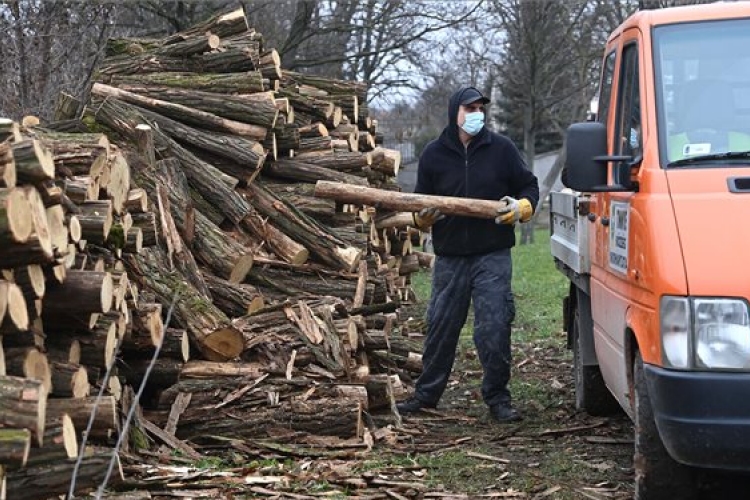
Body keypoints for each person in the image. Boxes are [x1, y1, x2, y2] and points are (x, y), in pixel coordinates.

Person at [397, 86, 540, 422]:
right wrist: (422, 218)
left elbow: (528, 185)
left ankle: (498, 399)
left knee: (493, 327)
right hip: (450, 257)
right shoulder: (433, 154)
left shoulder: (501, 149)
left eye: (480, 108)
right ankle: (426, 394)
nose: (477, 114)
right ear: (454, 113)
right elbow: (419, 202)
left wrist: (522, 207)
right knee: (441, 326)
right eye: (469, 108)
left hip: (492, 255)